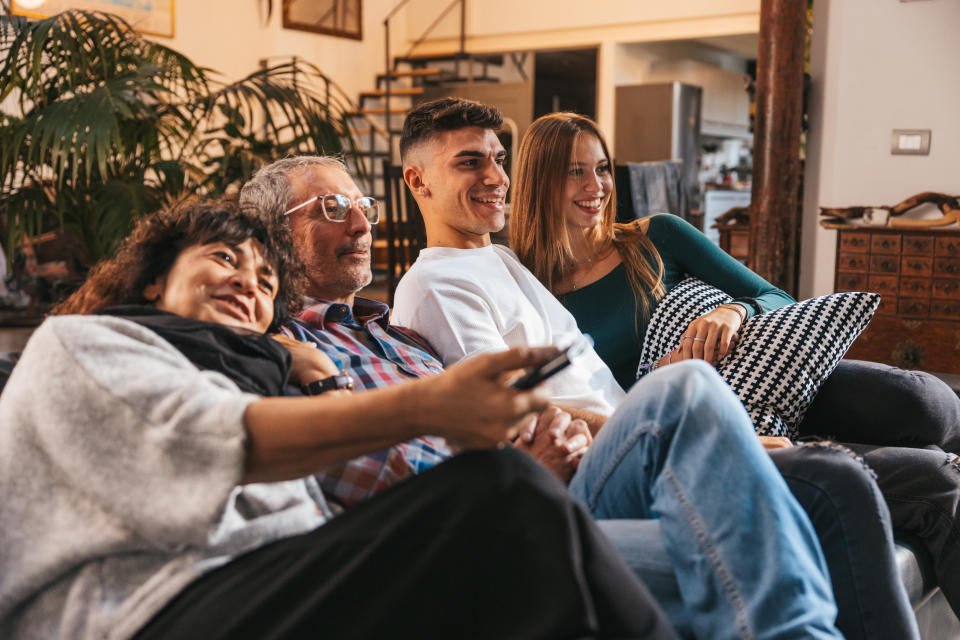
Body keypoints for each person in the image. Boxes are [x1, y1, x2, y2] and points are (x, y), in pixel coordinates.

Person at [0, 199, 681, 640]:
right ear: (152, 281)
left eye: (266, 279)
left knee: (662, 551)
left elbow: (322, 526)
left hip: (279, 589)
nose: (249, 281)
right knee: (505, 493)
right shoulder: (85, 344)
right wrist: (432, 407)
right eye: (224, 258)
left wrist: (319, 381)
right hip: (143, 613)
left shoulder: (261, 377)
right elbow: (209, 441)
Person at [240, 155, 846, 640]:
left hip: (545, 488)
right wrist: (520, 466)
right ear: (269, 235)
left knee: (774, 481)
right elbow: (376, 481)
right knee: (738, 473)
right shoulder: (279, 354)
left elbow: (490, 421)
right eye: (332, 208)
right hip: (474, 532)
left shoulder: (396, 332)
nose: (362, 223)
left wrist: (558, 438)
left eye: (362, 206)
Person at [388, 98, 927, 639]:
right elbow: (516, 413)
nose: (494, 176)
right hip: (592, 472)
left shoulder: (502, 261)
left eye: (499, 158)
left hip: (635, 447)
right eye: (469, 163)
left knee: (838, 480)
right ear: (418, 180)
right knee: (687, 387)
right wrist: (690, 434)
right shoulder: (436, 283)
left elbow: (592, 377)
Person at [508, 110, 960, 619]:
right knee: (933, 475)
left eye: (603, 167)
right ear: (538, 180)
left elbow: (773, 295)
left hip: (772, 371)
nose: (596, 186)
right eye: (575, 171)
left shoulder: (656, 235)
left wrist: (734, 310)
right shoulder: (527, 287)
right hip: (711, 414)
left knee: (928, 404)